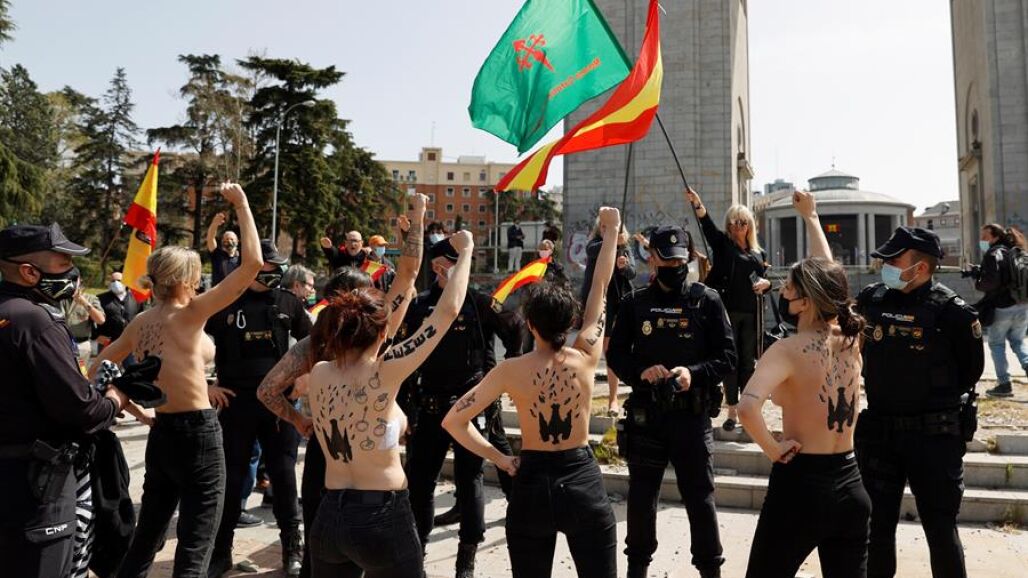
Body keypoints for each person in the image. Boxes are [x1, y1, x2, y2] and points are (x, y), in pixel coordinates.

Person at [91, 183, 262, 578]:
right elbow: (252, 264)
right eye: (197, 277)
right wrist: (242, 204)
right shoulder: (191, 312)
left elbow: (98, 366)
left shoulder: (140, 322)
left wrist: (130, 409)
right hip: (198, 434)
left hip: (163, 433)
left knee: (146, 539)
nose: (201, 282)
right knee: (194, 547)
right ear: (185, 282)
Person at [443, 207, 621, 578]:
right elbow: (600, 288)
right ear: (569, 322)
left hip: (532, 481)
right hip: (580, 478)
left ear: (530, 325)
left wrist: (501, 459)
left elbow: (454, 421)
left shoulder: (510, 370)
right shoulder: (586, 355)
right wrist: (612, 231)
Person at [258, 194, 428, 578]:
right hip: (372, 473)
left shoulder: (313, 343)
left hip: (328, 455)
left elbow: (267, 390)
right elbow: (409, 273)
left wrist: (300, 422)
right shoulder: (374, 330)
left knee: (324, 550)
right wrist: (417, 216)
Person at [305, 229, 474, 578]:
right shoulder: (385, 370)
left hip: (329, 514)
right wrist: (467, 250)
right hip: (380, 516)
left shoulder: (319, 373)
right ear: (382, 333)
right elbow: (447, 313)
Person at [738, 191, 872, 578]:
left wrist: (773, 449)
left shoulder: (786, 350)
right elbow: (830, 279)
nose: (782, 292)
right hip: (851, 483)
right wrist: (811, 218)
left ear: (806, 301)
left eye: (789, 288)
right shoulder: (849, 339)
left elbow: (746, 407)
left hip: (800, 487)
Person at [607, 225, 737, 578]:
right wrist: (641, 372)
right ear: (652, 259)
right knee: (641, 498)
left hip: (691, 418)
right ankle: (637, 569)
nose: (675, 267)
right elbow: (616, 355)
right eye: (667, 260)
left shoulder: (707, 300)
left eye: (680, 261)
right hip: (647, 417)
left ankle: (710, 570)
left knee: (700, 499)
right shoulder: (634, 303)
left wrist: (693, 373)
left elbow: (728, 357)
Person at [0, 222, 129, 578]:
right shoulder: (35, 321)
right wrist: (115, 399)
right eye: (63, 264)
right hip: (36, 487)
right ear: (29, 272)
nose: (73, 273)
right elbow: (81, 409)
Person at [854, 226, 984, 578]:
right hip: (881, 435)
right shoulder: (872, 300)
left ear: (921, 268)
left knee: (940, 530)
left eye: (894, 261)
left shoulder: (954, 314)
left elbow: (970, 371)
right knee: (876, 529)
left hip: (934, 439)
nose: (885, 266)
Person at [398, 235, 527, 577]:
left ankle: (466, 557)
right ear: (437, 267)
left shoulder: (479, 303)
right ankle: (417, 551)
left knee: (470, 480)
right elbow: (404, 358)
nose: (450, 271)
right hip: (429, 407)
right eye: (446, 265)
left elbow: (516, 327)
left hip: (470, 407)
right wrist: (404, 408)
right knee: (420, 482)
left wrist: (507, 370)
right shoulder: (420, 305)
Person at [204, 239, 313, 577]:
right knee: (232, 478)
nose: (275, 271)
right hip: (236, 402)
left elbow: (315, 344)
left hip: (279, 404)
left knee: (283, 476)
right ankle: (221, 551)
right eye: (269, 265)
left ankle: (292, 548)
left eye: (278, 265)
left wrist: (304, 377)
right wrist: (206, 386)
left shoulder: (288, 301)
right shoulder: (222, 301)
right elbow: (188, 341)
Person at [687, 188, 770, 431]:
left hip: (752, 315)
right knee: (730, 362)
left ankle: (748, 409)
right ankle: (732, 410)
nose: (738, 226)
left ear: (749, 225)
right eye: (733, 222)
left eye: (743, 222)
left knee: (748, 363)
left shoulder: (759, 253)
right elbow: (708, 227)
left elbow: (765, 280)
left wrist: (767, 284)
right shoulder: (723, 245)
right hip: (727, 312)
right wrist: (698, 204)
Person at [581, 220, 636, 416]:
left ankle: (613, 399)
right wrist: (611, 240)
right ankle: (584, 399)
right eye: (604, 227)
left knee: (611, 349)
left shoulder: (625, 248)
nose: (607, 230)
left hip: (617, 302)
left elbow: (632, 273)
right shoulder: (595, 244)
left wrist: (624, 266)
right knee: (590, 348)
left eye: (611, 227)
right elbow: (592, 251)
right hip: (596, 301)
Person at [970, 224, 1028, 398]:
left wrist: (977, 279)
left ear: (995, 237)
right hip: (1022, 305)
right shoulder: (1014, 251)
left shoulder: (993, 253)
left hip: (1003, 308)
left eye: (985, 237)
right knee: (1017, 341)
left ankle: (1004, 385)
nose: (982, 240)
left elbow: (990, 282)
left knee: (996, 344)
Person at [63, 281, 106, 371]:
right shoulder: (60, 298)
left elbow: (100, 320)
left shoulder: (91, 298)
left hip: (81, 345)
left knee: (81, 373)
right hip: (61, 343)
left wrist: (84, 302)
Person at [97, 271, 140, 349]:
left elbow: (142, 317)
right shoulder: (100, 299)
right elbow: (93, 319)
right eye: (113, 281)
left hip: (130, 342)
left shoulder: (136, 299)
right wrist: (96, 335)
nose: (116, 283)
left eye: (119, 280)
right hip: (107, 343)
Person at [206, 211, 241, 287]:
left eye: (231, 239)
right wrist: (214, 224)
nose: (229, 241)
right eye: (226, 239)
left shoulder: (241, 257)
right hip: (218, 292)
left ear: (237, 241)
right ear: (222, 241)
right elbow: (210, 238)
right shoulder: (217, 254)